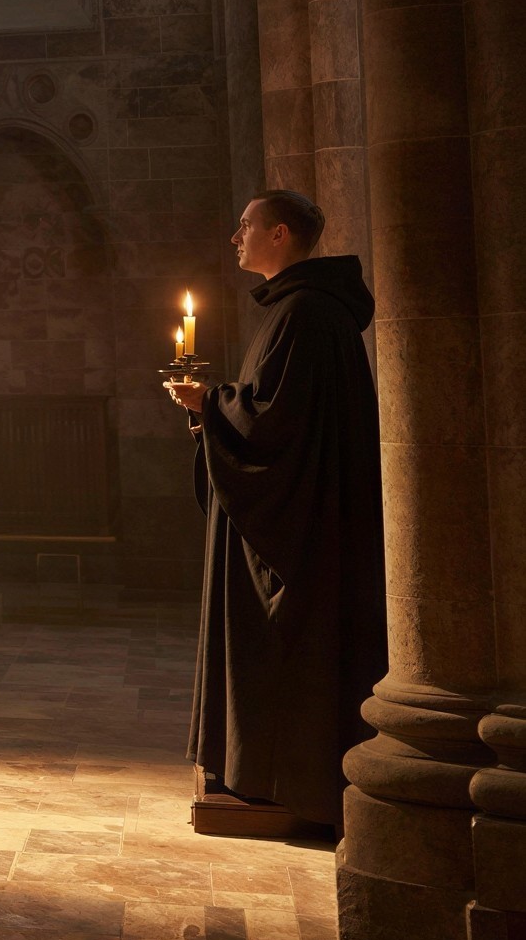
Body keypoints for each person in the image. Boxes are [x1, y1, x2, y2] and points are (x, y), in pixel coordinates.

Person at [165, 189, 385, 830]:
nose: (236, 236)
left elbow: (275, 427)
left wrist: (211, 405)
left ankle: (282, 776)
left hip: (296, 522)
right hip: (305, 506)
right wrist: (216, 411)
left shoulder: (306, 314)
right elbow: (273, 412)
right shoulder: (301, 309)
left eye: (246, 225)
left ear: (280, 233)